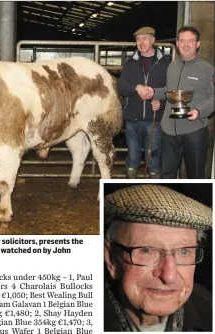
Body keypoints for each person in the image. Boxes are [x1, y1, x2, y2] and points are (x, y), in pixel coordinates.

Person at [104, 184, 212, 332]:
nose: (169, 276)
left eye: (184, 252)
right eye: (147, 250)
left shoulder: (208, 308)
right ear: (111, 259)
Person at [149, 26, 214, 178]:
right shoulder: (172, 67)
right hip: (169, 130)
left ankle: (196, 202)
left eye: (190, 41)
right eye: (182, 41)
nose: (186, 44)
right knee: (167, 174)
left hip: (194, 131)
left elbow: (213, 96)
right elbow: (170, 91)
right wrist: (154, 94)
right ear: (177, 43)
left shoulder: (207, 69)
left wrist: (199, 111)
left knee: (196, 174)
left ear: (198, 44)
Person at [117, 27, 170, 179]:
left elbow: (171, 90)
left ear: (153, 40)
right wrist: (136, 87)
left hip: (154, 119)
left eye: (145, 38)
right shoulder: (130, 62)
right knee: (132, 157)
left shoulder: (165, 64)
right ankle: (130, 185)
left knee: (153, 157)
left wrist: (161, 103)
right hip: (132, 118)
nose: (141, 42)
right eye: (138, 39)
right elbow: (121, 86)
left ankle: (155, 188)